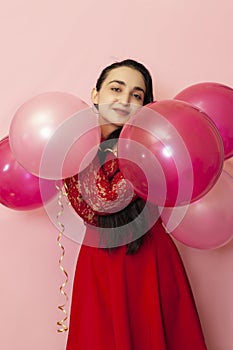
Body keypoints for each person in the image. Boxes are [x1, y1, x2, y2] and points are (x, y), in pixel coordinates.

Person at [63, 59, 207, 349]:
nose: (125, 100)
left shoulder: (151, 144)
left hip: (148, 255)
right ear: (96, 94)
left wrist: (127, 150)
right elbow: (90, 206)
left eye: (137, 95)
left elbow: (113, 195)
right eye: (116, 89)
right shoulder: (74, 144)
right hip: (99, 259)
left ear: (146, 105)